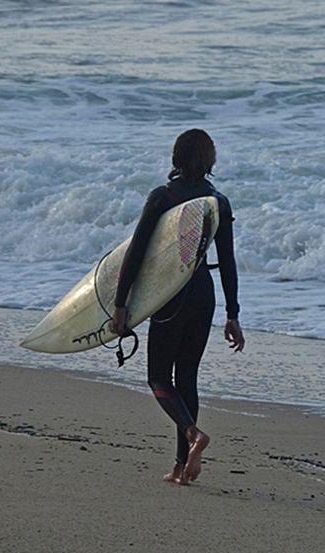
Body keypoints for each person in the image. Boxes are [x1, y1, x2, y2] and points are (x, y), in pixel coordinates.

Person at [112, 129, 245, 485]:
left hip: (171, 295)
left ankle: (191, 433)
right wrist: (233, 315)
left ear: (175, 158)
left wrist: (121, 304)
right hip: (204, 293)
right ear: (210, 160)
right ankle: (180, 468)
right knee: (187, 379)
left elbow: (135, 254)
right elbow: (228, 263)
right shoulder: (219, 202)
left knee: (158, 376)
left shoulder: (163, 197)